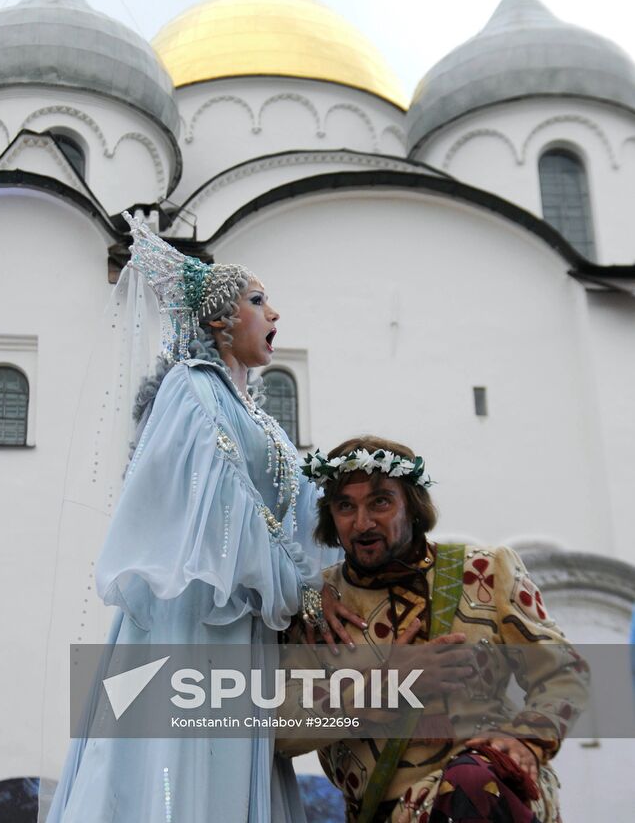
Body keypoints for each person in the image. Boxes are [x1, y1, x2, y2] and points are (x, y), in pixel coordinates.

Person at [46, 213, 352, 822]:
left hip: (245, 622)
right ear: (218, 320)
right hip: (196, 617)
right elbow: (219, 499)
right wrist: (301, 589)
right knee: (178, 773)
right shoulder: (191, 387)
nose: (275, 314)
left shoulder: (260, 416)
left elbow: (295, 510)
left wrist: (331, 571)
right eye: (258, 300)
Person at [277, 435, 588, 823]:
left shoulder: (487, 571)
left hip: (496, 795)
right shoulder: (318, 605)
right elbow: (279, 728)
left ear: (412, 505)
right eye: (345, 506)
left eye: (380, 502)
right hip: (389, 812)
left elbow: (564, 672)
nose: (362, 522)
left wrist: (527, 740)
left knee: (471, 783)